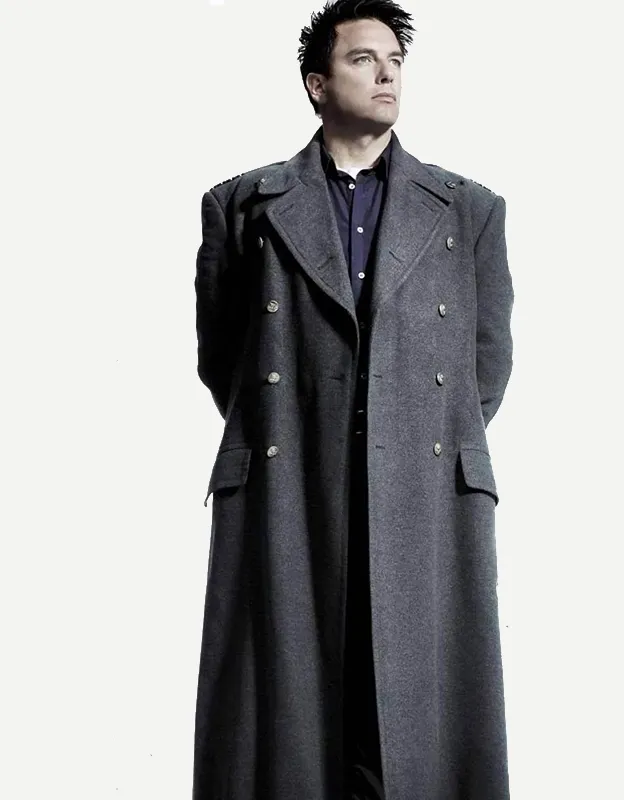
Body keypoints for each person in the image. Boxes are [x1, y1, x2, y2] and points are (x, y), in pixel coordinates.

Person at [192, 1, 514, 798]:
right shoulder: (242, 206)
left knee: (415, 712)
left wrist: (401, 431)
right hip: (292, 481)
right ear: (316, 83)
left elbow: (485, 365)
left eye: (395, 61)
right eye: (363, 59)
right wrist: (309, 426)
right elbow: (225, 360)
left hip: (423, 486)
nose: (386, 75)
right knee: (289, 711)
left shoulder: (468, 209)